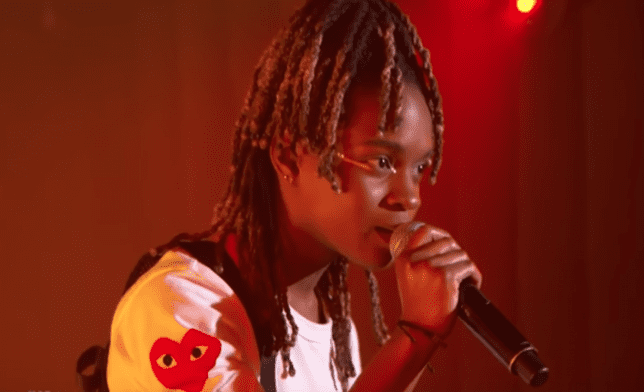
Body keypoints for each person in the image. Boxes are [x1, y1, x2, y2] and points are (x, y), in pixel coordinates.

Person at [105, 0, 482, 391]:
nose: (410, 198)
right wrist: (415, 337)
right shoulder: (179, 305)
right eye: (383, 161)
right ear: (288, 155)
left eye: (420, 169)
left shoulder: (335, 328)